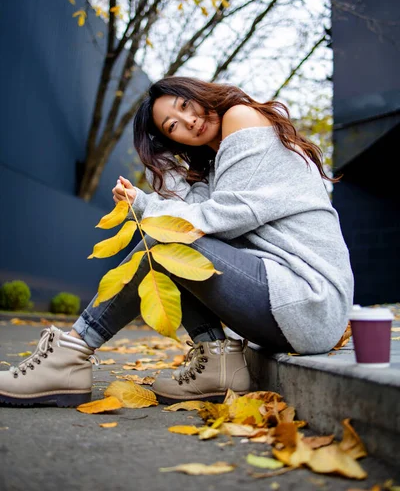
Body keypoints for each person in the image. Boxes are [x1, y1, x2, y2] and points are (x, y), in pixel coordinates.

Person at [0, 76, 354, 407]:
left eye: (185, 105)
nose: (189, 121)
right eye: (173, 127)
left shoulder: (240, 116)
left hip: (308, 298)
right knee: (168, 242)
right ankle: (215, 359)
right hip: (288, 305)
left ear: (197, 93)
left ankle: (71, 353)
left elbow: (219, 220)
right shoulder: (216, 163)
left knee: (163, 242)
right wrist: (164, 163)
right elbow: (192, 212)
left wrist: (142, 204)